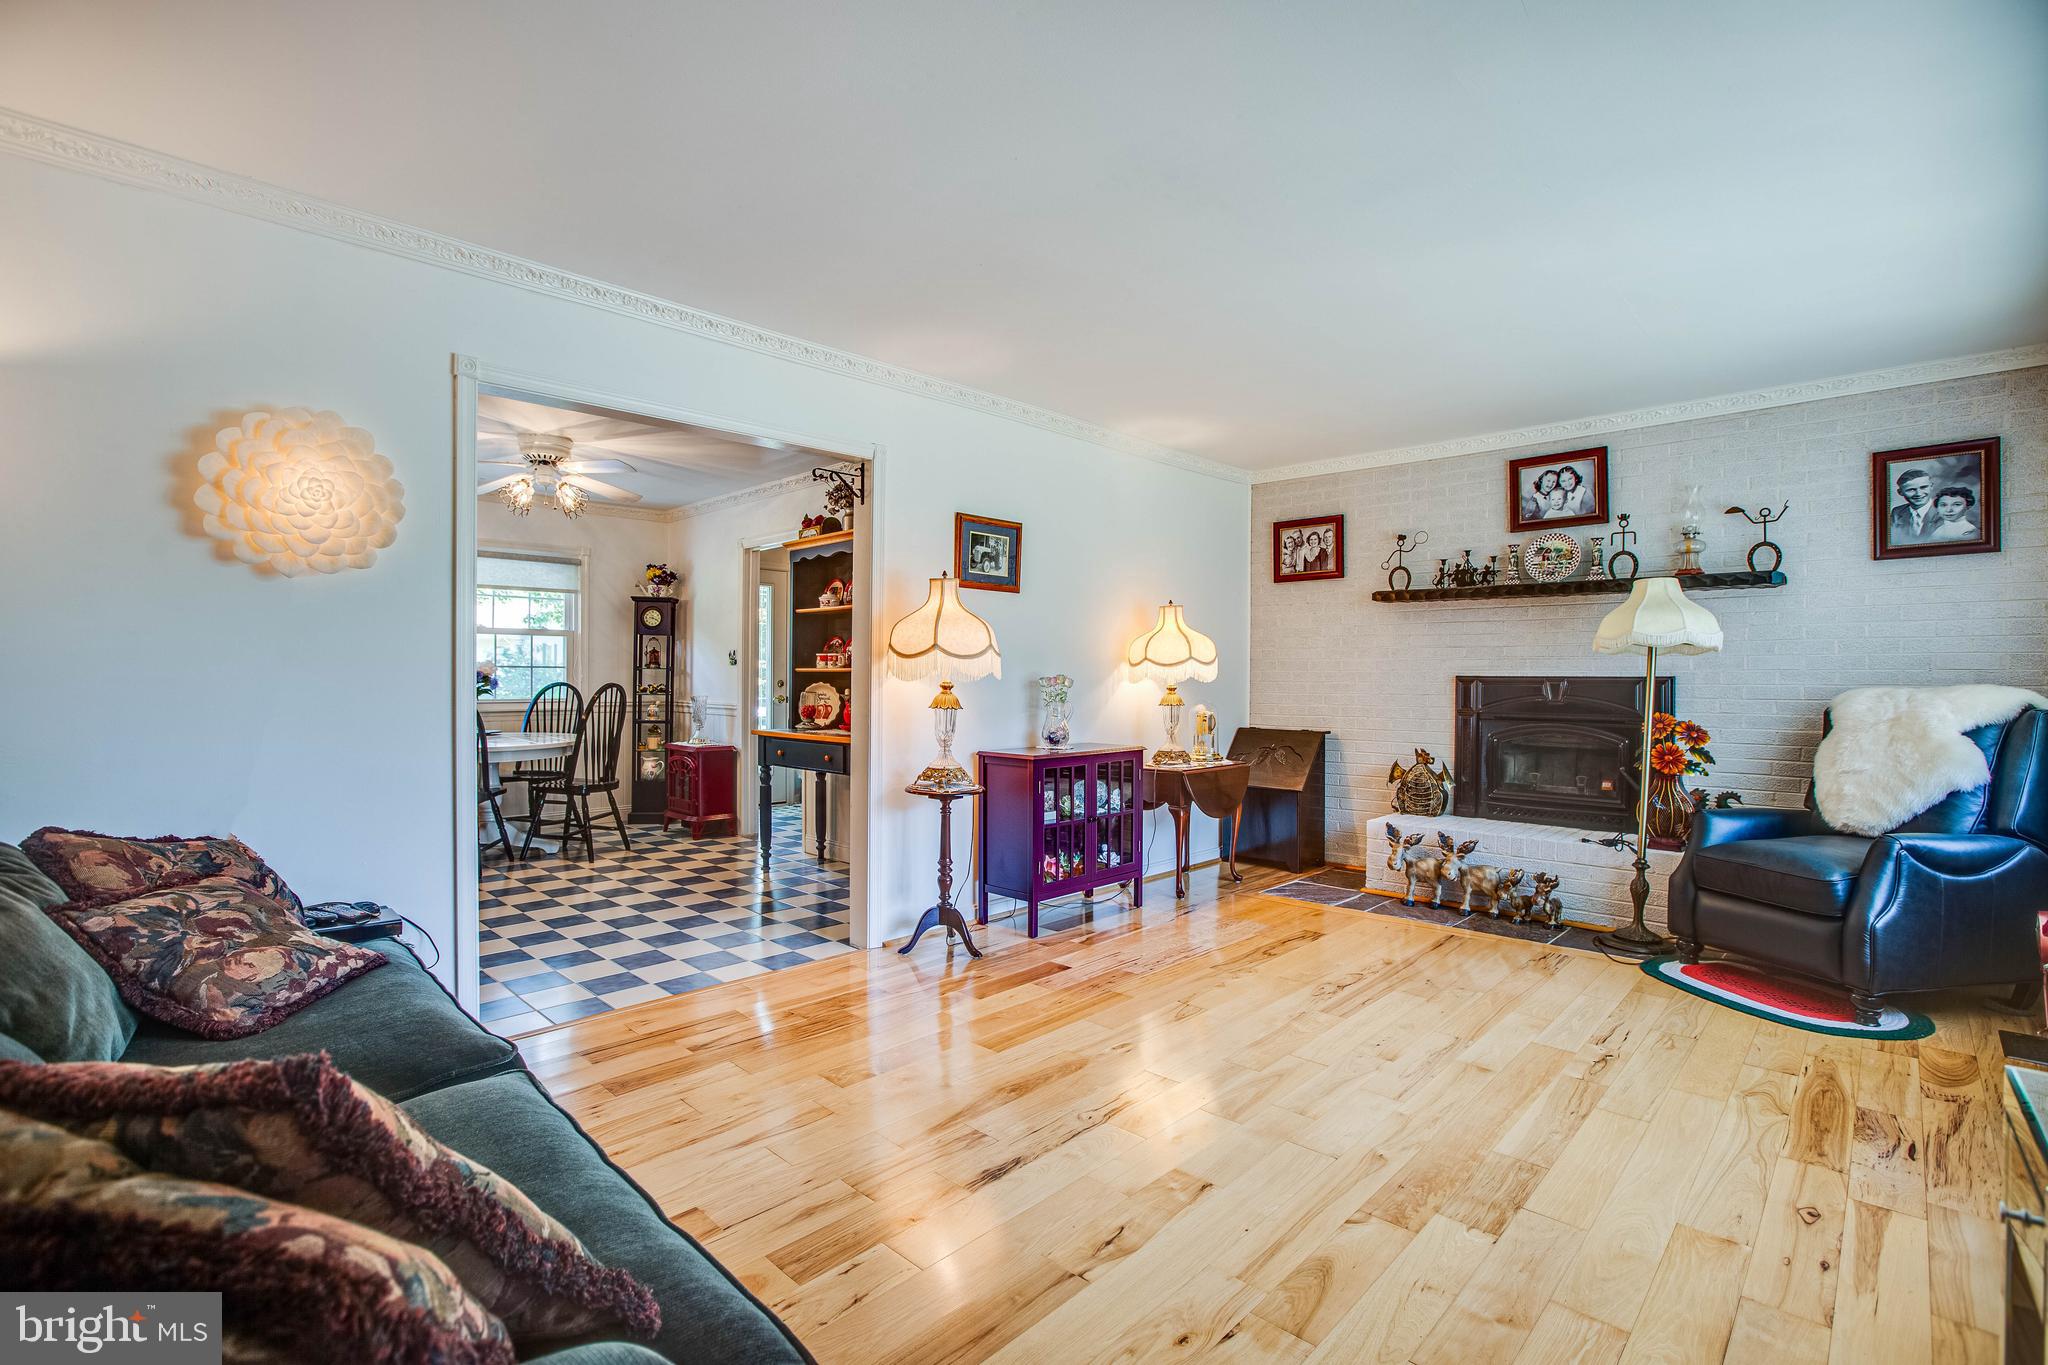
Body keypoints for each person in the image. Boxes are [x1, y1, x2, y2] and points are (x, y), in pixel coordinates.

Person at [1888, 467, 1937, 543]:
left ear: (1931, 487)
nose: (1918, 494)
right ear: (1900, 492)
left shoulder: (1944, 510)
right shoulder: (1897, 512)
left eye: (1923, 487)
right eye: (1911, 489)